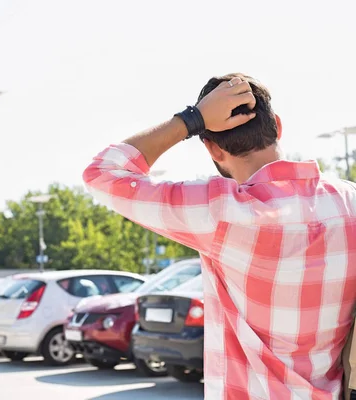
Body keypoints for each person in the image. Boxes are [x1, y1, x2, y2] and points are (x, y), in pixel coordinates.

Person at [83, 73, 356, 399]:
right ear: (278, 127)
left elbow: (102, 173)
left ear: (212, 148)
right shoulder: (348, 202)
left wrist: (191, 119)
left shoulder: (221, 212)